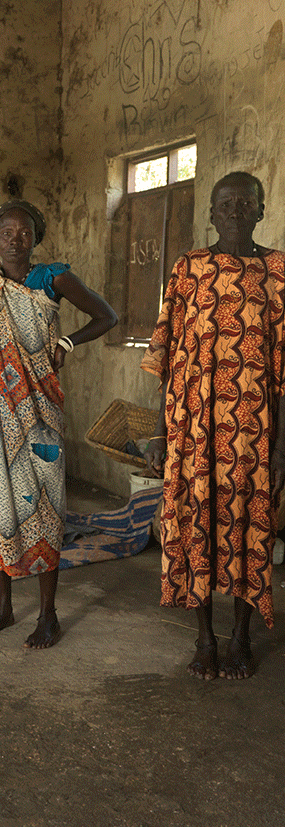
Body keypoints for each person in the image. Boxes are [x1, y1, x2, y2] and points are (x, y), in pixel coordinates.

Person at [0, 199, 117, 648]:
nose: (15, 240)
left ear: (36, 237)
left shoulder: (52, 278)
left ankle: (48, 615)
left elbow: (106, 316)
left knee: (44, 505)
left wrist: (67, 341)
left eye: (25, 233)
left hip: (39, 413)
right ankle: (3, 608)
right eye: (7, 232)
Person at [142, 171, 285, 680]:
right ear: (211, 213)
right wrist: (160, 432)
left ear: (262, 210)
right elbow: (163, 356)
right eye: (225, 203)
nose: (235, 211)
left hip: (252, 430)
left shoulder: (278, 272)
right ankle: (204, 638)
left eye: (246, 203)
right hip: (193, 429)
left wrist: (282, 449)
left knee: (251, 530)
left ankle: (241, 638)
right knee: (195, 523)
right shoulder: (187, 269)